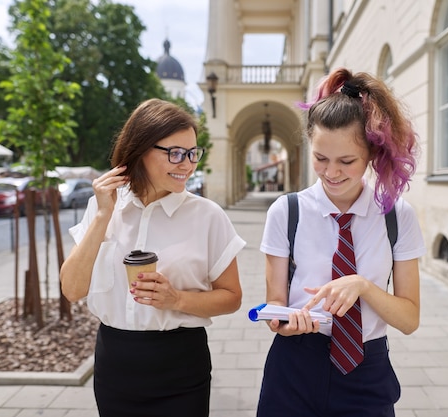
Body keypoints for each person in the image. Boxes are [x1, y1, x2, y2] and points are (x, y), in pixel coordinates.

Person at [59, 98, 245, 417]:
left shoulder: (207, 215)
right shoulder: (104, 208)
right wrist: (104, 214)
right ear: (141, 149)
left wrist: (177, 300)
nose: (187, 164)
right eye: (175, 153)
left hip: (182, 367)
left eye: (192, 153)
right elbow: (72, 290)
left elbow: (232, 297)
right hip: (114, 365)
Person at [256, 68, 426, 417]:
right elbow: (275, 303)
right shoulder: (286, 212)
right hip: (294, 367)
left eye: (346, 161)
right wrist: (284, 323)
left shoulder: (397, 216)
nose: (331, 173)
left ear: (372, 155)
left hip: (366, 369)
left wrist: (362, 286)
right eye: (320, 159)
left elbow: (409, 320)